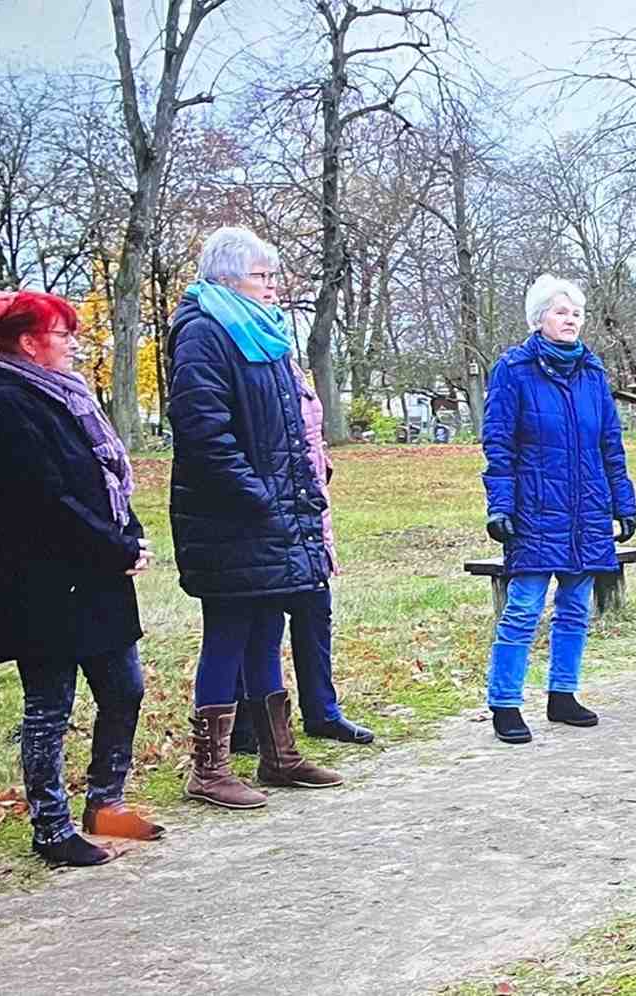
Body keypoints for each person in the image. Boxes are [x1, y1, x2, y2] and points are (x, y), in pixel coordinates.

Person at [168, 226, 342, 808]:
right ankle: (209, 769)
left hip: (273, 517)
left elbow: (288, 432)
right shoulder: (204, 332)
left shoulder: (264, 335)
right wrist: (259, 498)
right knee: (227, 635)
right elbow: (204, 433)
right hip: (228, 520)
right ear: (227, 278)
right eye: (260, 276)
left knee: (267, 628)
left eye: (272, 275)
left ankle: (278, 755)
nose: (272, 286)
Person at [0, 290, 164, 866]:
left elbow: (103, 474)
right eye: (62, 333)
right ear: (28, 343)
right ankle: (51, 828)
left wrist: (130, 535)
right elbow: (46, 498)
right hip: (43, 582)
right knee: (49, 705)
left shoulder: (66, 394)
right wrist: (114, 547)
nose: (73, 343)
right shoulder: (8, 401)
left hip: (96, 575)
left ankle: (105, 804)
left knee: (124, 688)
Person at [481, 275, 636, 744]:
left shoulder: (593, 373)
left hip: (587, 509)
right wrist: (500, 505)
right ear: (539, 318)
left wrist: (623, 502)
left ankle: (563, 694)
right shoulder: (513, 370)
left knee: (575, 608)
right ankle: (505, 702)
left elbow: (610, 444)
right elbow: (499, 443)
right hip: (535, 508)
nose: (571, 320)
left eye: (576, 314)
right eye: (560, 312)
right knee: (523, 609)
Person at [229, 358, 374, 754]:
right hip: (270, 508)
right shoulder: (245, 359)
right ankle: (248, 723)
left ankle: (322, 710)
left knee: (314, 607)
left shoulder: (287, 362)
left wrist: (320, 461)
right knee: (261, 618)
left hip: (307, 505)